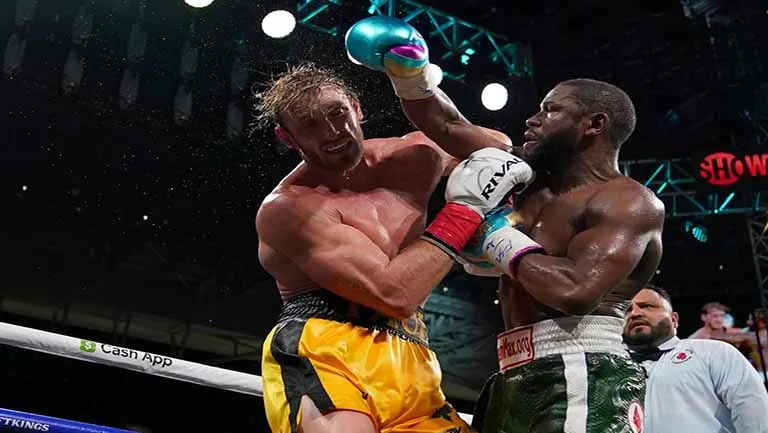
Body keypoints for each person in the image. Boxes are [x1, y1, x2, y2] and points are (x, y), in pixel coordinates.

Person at [345, 15, 665, 433]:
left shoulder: (627, 201)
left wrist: (493, 232)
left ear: (594, 125)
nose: (532, 119)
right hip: (514, 369)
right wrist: (411, 74)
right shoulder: (525, 176)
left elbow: (575, 292)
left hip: (582, 366)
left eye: (550, 111)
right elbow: (448, 125)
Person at [252, 62, 533, 433]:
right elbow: (393, 293)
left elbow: (499, 148)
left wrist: (417, 89)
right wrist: (465, 212)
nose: (333, 132)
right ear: (289, 139)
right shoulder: (290, 209)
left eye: (337, 113)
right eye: (310, 125)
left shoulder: (413, 157)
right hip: (325, 344)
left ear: (356, 107)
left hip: (411, 351)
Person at [623, 286, 768, 433]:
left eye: (646, 306)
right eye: (627, 310)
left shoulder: (713, 352)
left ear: (674, 319)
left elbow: (753, 409)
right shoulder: (610, 367)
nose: (634, 313)